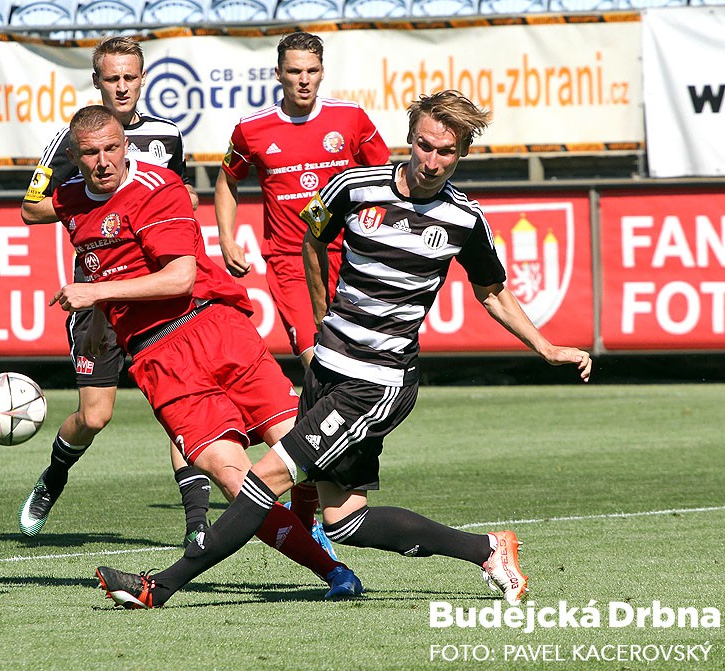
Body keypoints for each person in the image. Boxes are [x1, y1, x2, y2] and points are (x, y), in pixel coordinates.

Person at [95, 90, 593, 610]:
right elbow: (312, 241)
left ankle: (159, 587)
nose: (431, 161)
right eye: (424, 145)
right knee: (345, 520)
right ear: (409, 138)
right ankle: (487, 549)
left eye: (446, 151)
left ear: (463, 152)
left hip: (376, 384)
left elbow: (492, 292)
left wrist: (546, 347)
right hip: (327, 368)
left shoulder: (465, 220)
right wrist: (320, 320)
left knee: (263, 478)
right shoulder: (353, 187)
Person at [51, 104, 363, 600]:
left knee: (303, 446)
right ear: (73, 156)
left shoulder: (159, 188)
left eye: (112, 148)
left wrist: (96, 296)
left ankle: (313, 523)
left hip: (214, 328)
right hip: (158, 360)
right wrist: (100, 320)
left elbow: (180, 277)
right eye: (91, 153)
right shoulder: (69, 200)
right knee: (235, 480)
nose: (104, 161)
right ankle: (334, 573)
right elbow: (99, 259)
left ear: (126, 145)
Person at [18, 36, 210, 544]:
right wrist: (88, 199)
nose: (121, 86)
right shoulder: (73, 140)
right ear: (97, 81)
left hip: (156, 294)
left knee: (181, 408)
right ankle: (54, 476)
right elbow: (31, 207)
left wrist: (167, 196)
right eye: (112, 78)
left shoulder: (167, 135)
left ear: (142, 79)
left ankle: (197, 524)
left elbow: (179, 198)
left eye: (129, 77)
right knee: (95, 415)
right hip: (97, 295)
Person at [216, 30, 390, 547]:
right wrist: (227, 237)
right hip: (292, 264)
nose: (303, 80)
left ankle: (315, 498)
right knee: (322, 368)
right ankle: (315, 507)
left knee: (340, 383)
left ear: (322, 72)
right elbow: (227, 180)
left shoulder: (351, 120)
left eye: (311, 70)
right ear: (278, 74)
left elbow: (384, 177)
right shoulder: (252, 129)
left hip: (350, 261)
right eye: (294, 71)